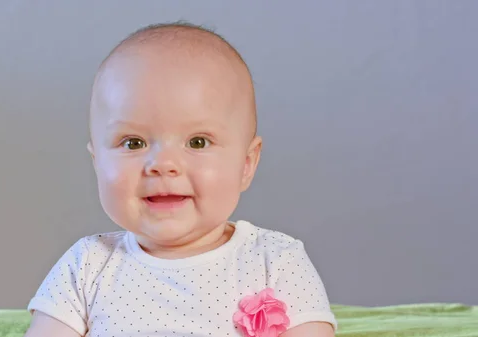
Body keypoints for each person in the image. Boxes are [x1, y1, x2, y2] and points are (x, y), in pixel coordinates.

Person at [23, 21, 337, 337]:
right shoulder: (87, 265)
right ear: (97, 163)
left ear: (246, 163)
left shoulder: (276, 261)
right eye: (133, 143)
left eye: (197, 142)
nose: (163, 165)